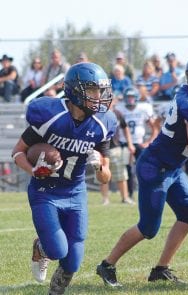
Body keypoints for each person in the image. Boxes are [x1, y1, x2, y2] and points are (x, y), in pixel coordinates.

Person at [96, 53, 188, 287]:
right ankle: (107, 264)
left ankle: (161, 269)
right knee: (148, 228)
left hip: (173, 167)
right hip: (155, 167)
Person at [11, 62, 117, 294]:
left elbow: (105, 179)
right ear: (75, 90)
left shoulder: (102, 123)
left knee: (73, 262)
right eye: (92, 90)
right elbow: (17, 152)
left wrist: (99, 165)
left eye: (100, 90)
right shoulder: (50, 115)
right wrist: (33, 170)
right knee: (58, 250)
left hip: (75, 191)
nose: (98, 96)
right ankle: (41, 248)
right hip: (45, 191)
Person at [115, 86, 158, 199]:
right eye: (128, 97)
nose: (130, 100)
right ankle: (129, 195)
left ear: (136, 98)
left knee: (143, 169)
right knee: (127, 170)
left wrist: (149, 142)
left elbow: (155, 128)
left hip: (139, 143)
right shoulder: (120, 110)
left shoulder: (142, 109)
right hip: (124, 143)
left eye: (132, 97)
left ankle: (145, 193)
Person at [100, 94, 136, 205]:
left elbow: (126, 129)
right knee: (102, 175)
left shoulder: (118, 114)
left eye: (111, 100)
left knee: (122, 175)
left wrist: (130, 144)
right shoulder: (98, 114)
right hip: (100, 149)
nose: (109, 102)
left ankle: (125, 198)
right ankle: (105, 199)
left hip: (115, 148)